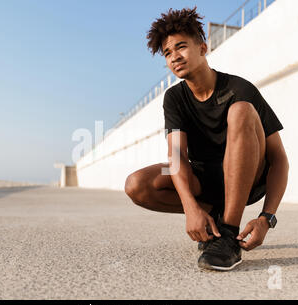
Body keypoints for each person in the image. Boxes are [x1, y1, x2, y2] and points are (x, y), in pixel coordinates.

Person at [124, 7, 289, 271]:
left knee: (241, 110)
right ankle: (213, 216)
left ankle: (228, 235)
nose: (175, 57)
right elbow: (176, 156)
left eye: (181, 47)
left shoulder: (239, 89)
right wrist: (191, 207)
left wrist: (267, 218)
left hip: (249, 178)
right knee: (137, 184)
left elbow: (279, 160)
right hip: (204, 180)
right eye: (168, 53)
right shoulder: (174, 98)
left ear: (203, 48)